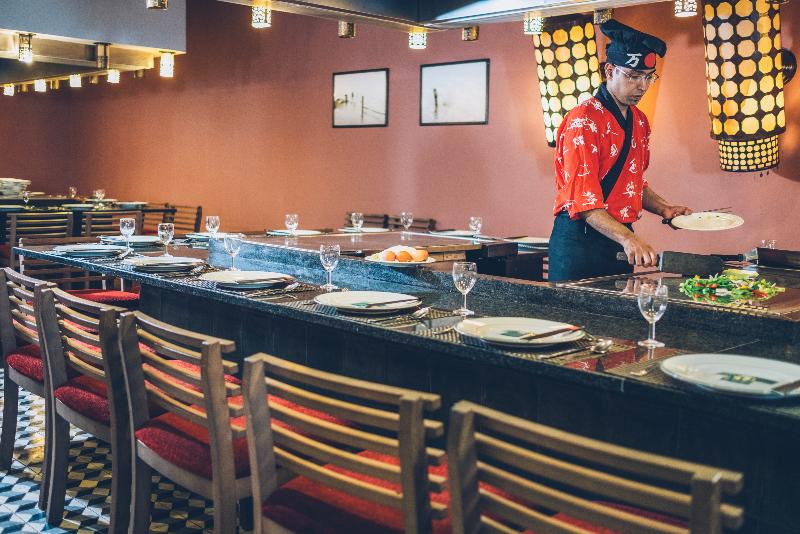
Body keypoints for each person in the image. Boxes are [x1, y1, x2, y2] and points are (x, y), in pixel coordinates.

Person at [548, 19, 692, 282]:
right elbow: (583, 200)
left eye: (649, 77)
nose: (643, 86)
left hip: (618, 242)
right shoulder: (583, 120)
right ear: (609, 71)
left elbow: (632, 182)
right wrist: (628, 238)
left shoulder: (639, 121)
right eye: (634, 76)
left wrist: (664, 208)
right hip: (579, 243)